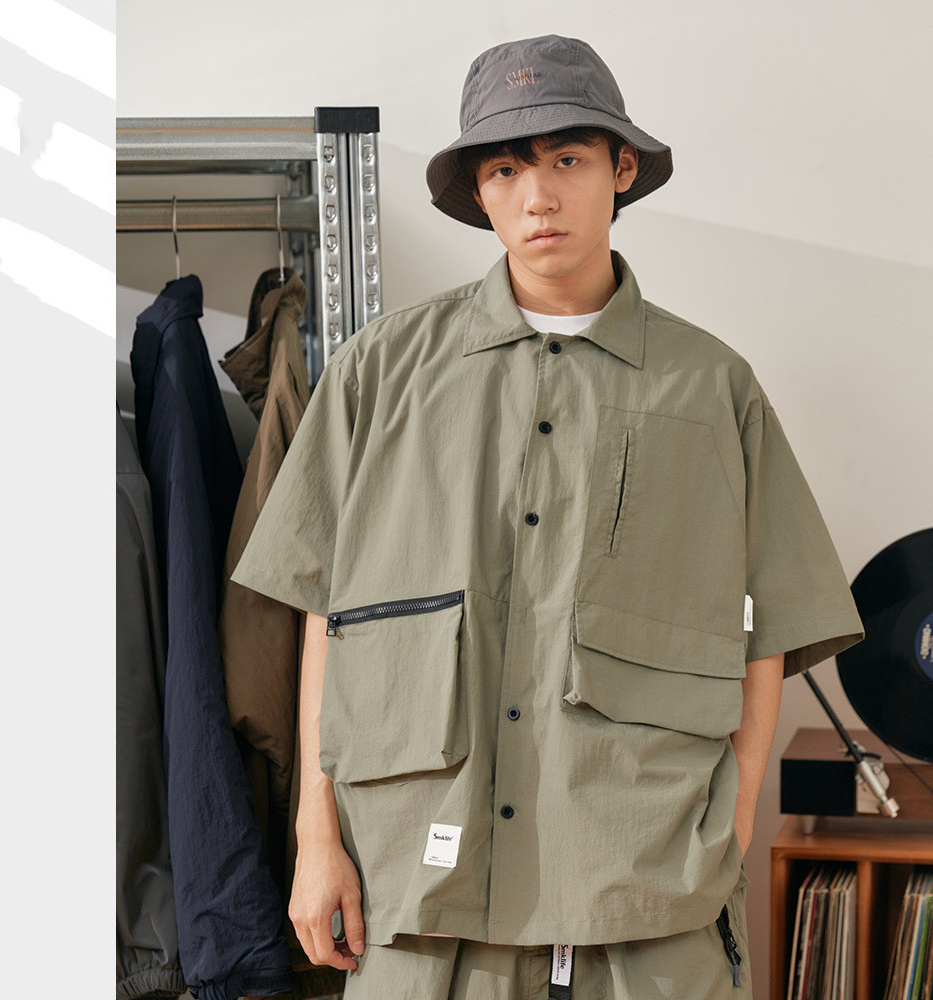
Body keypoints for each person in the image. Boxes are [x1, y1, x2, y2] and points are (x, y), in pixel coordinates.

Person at [232, 33, 865, 999]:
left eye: (568, 160)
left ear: (621, 169)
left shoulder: (713, 390)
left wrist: (730, 832)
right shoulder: (377, 376)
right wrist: (316, 840)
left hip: (646, 912)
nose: (539, 197)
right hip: (421, 907)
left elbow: (768, 631)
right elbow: (326, 613)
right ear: (480, 194)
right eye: (506, 170)